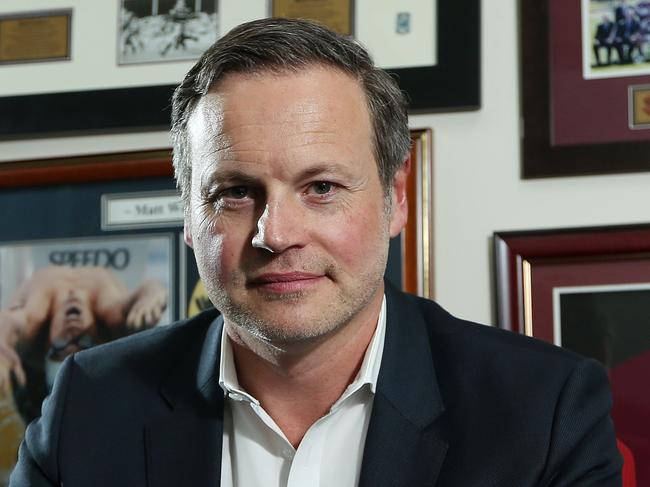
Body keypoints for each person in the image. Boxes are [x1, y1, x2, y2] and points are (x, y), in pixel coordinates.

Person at [10, 18, 621, 486]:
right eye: (236, 192)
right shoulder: (90, 402)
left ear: (394, 198)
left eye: (321, 188)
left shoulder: (543, 412)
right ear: (189, 216)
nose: (275, 233)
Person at [0, 265, 167, 422]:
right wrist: (153, 296)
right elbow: (152, 287)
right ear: (100, 342)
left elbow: (9, 322)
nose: (73, 334)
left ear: (45, 347)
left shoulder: (34, 328)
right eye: (84, 344)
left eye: (60, 348)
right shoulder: (111, 323)